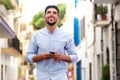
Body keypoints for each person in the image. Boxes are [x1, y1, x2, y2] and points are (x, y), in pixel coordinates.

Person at [26, 5, 78, 80]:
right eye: (48, 12)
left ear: (58, 17)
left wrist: (62, 57)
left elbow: (75, 56)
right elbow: (28, 57)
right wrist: (41, 56)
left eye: (54, 13)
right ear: (44, 17)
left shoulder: (66, 36)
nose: (51, 14)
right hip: (42, 77)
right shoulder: (36, 36)